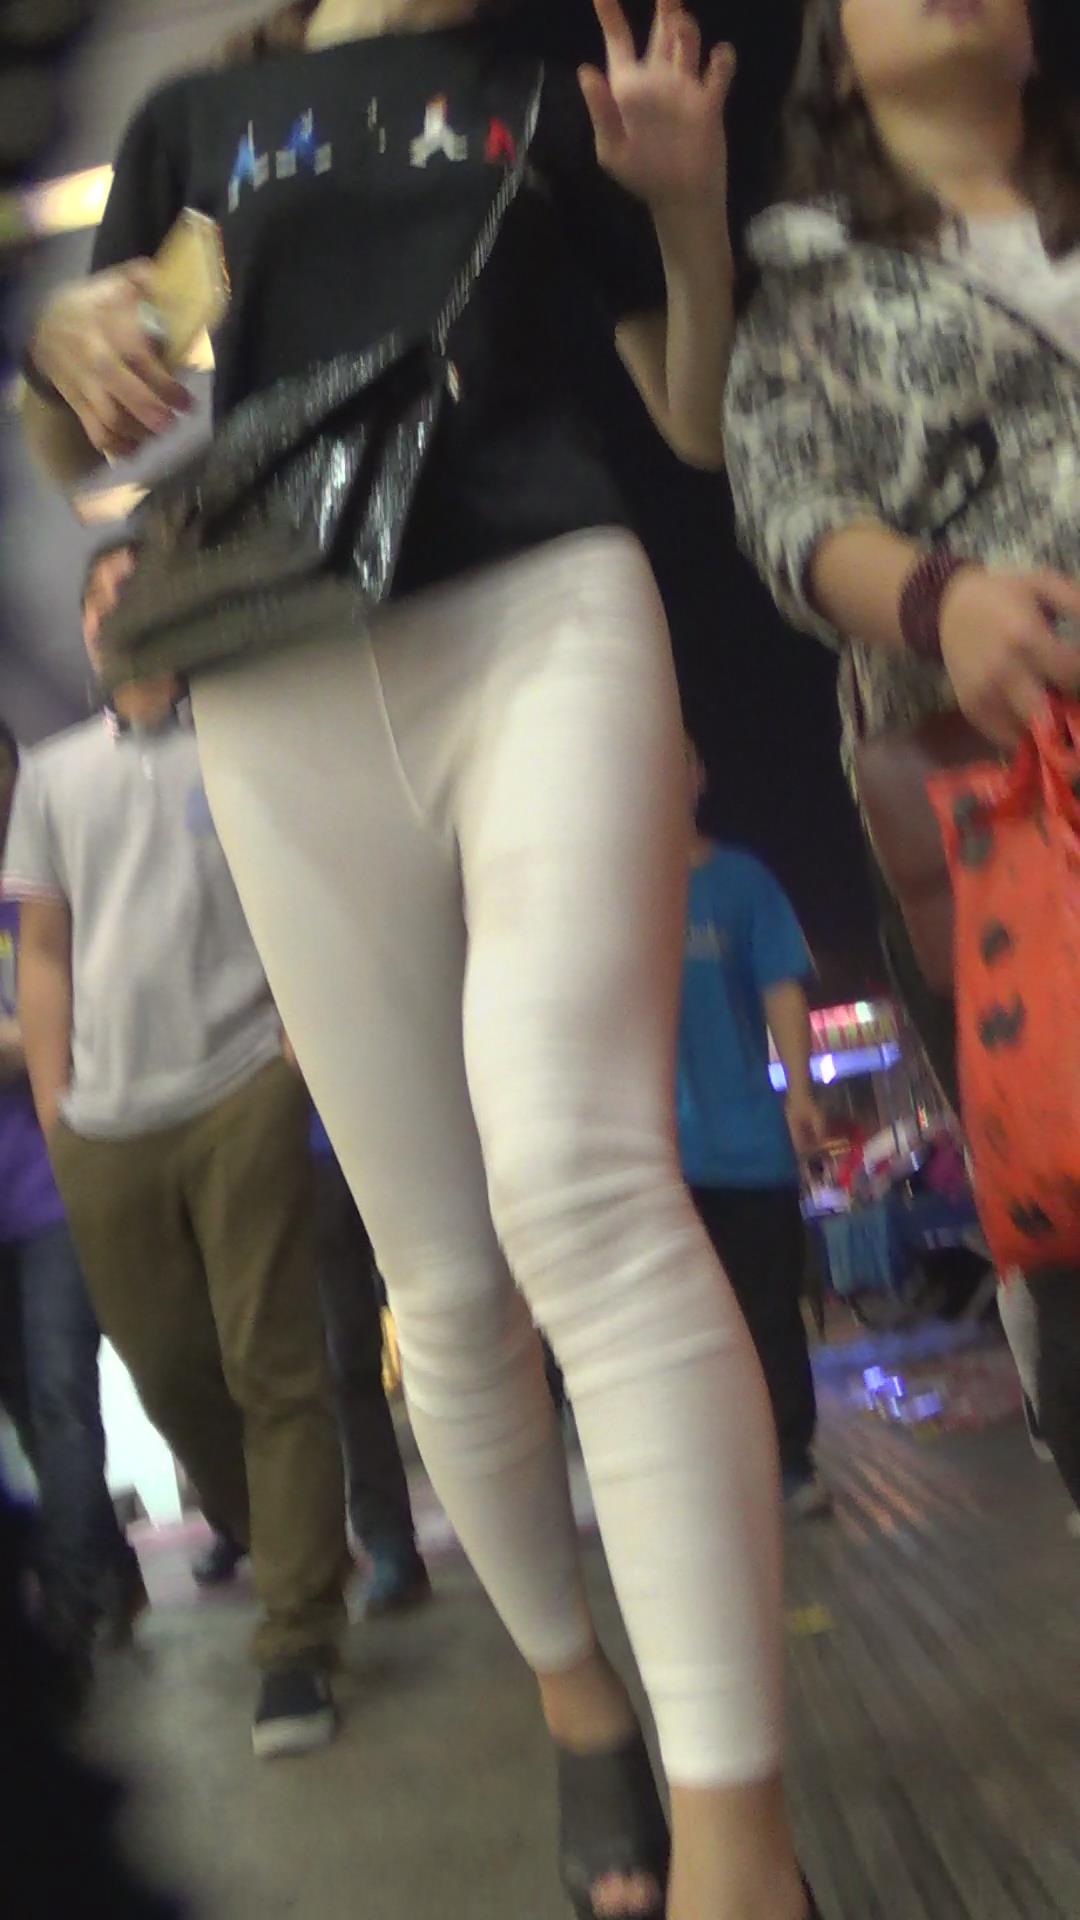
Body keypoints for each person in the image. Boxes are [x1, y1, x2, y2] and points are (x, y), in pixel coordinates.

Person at [19, 3, 820, 1916]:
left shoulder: (557, 79)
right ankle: (576, 1699)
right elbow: (86, 430)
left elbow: (691, 412)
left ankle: (740, 1848)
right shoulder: (203, 118)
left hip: (545, 610)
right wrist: (61, 355)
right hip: (275, 670)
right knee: (446, 1295)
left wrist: (686, 206)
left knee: (583, 1179)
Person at [723, 0, 1080, 1523]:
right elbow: (786, 505)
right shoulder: (811, 285)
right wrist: (947, 602)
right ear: (835, 50)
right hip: (1015, 795)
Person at [2, 543, 349, 1761]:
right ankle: (292, 1539)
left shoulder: (241, 739)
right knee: (165, 1371)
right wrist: (58, 1110)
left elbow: (305, 890)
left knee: (274, 1360)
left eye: (135, 588)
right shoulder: (53, 776)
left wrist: (294, 1051)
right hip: (105, 1126)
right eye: (99, 596)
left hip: (242, 1086)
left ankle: (297, 1634)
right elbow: (45, 952)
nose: (118, 609)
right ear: (86, 633)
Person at [0, 714, 147, 1703]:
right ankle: (111, 1569)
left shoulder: (48, 904)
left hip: (54, 1191)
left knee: (61, 1395)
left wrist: (25, 1038)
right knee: (30, 1410)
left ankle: (69, 1612)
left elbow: (77, 1027)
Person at [197, 1109, 431, 1618]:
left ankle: (496, 1520)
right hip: (307, 1153)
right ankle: (387, 1538)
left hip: (395, 1128)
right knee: (345, 1362)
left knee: (453, 1320)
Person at [679, 740, 830, 1523]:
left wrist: (800, 1089)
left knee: (769, 1313)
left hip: (747, 1145)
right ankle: (702, 1481)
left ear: (699, 776)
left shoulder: (743, 881)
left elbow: (781, 986)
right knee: (679, 1334)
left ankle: (789, 1461)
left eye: (676, 759)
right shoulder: (604, 893)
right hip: (648, 1162)